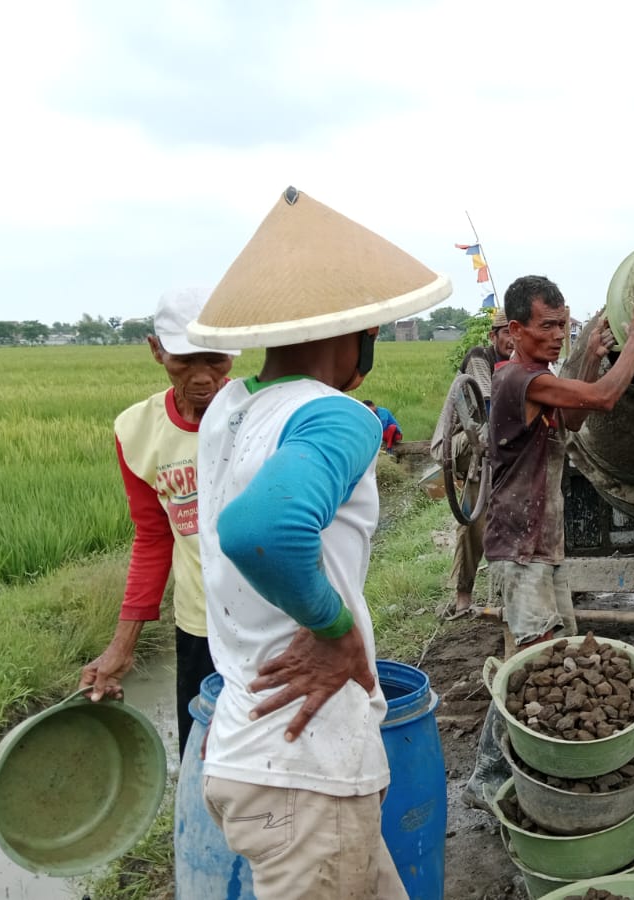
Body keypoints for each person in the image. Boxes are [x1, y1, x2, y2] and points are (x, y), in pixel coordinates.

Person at [188, 186, 454, 900]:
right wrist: (334, 630)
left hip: (254, 749)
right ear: (352, 337)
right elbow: (259, 532)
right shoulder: (336, 416)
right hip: (305, 773)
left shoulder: (231, 408)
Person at [461, 274, 634, 808]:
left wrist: (593, 354)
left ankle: (518, 768)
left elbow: (573, 415)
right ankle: (489, 777)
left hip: (541, 544)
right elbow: (600, 400)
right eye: (546, 325)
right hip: (518, 546)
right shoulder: (516, 381)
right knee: (528, 666)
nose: (557, 334)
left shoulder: (543, 379)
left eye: (563, 323)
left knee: (548, 660)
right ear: (514, 329)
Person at [78, 287, 239, 755]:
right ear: (156, 350)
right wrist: (121, 646)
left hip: (274, 622)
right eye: (184, 361)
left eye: (216, 360)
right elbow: (153, 538)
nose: (203, 377)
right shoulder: (137, 430)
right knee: (202, 754)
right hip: (200, 624)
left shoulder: (261, 414)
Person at [443, 307, 515, 620]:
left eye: (517, 334)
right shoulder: (479, 357)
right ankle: (463, 596)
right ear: (494, 336)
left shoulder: (521, 362)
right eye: (507, 334)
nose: (512, 341)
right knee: (472, 523)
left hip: (501, 447)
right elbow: (489, 406)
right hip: (468, 446)